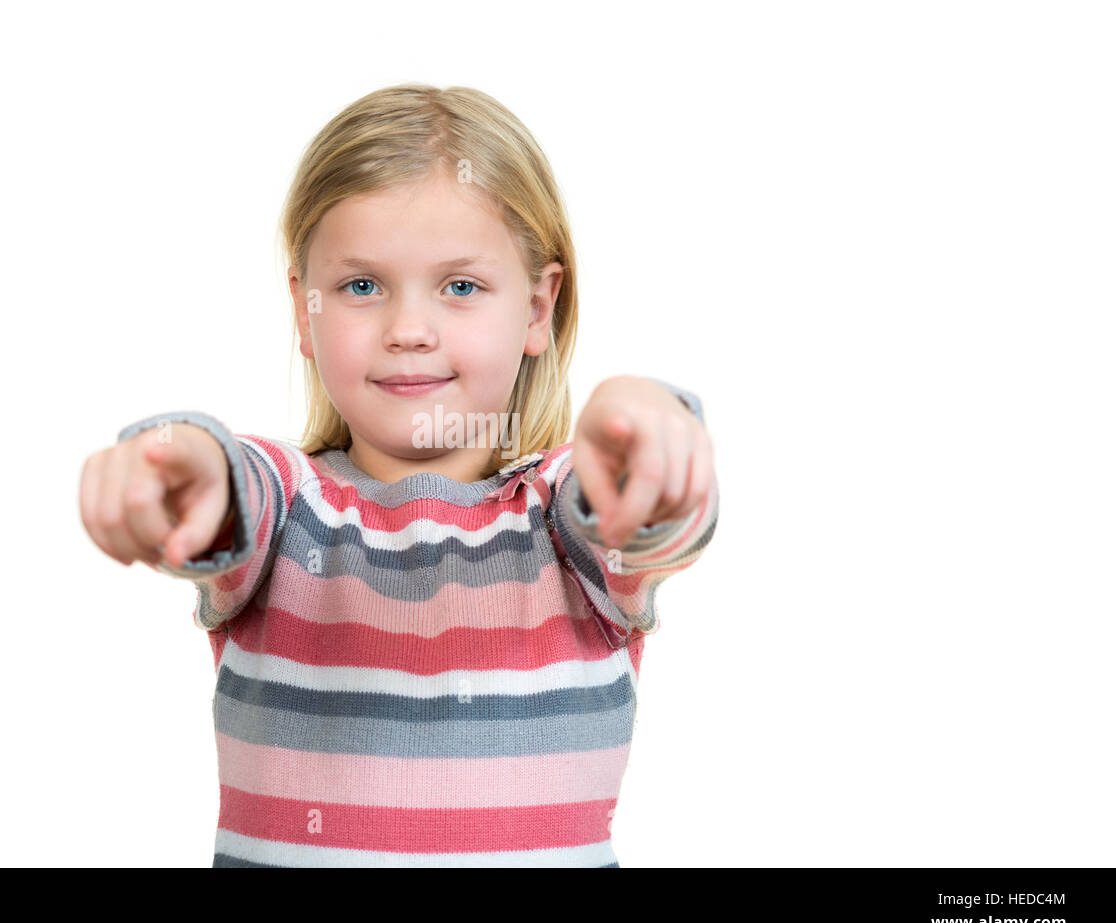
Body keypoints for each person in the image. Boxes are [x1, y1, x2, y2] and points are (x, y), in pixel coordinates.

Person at [79, 84, 719, 866]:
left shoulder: (559, 515)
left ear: (536, 309)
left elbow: (636, 510)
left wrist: (641, 425)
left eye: (459, 287)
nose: (408, 331)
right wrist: (181, 470)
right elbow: (229, 486)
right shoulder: (287, 510)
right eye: (361, 286)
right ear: (303, 310)